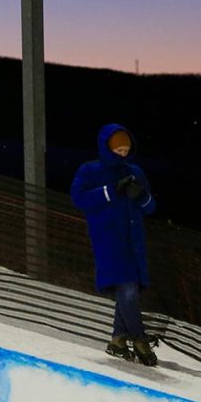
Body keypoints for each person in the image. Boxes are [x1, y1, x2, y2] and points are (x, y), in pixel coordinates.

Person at [69, 123, 159, 366]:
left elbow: (151, 207)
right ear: (107, 148)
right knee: (128, 291)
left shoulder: (135, 172)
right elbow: (79, 198)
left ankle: (118, 340)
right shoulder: (90, 170)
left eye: (125, 150)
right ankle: (139, 339)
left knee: (129, 291)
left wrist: (140, 195)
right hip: (108, 241)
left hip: (134, 242)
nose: (122, 154)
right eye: (118, 150)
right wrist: (110, 192)